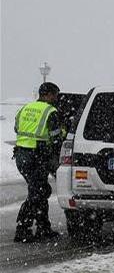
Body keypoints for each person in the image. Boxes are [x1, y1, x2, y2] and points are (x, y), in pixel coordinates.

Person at [12, 82, 65, 242]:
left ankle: (43, 227)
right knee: (38, 192)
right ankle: (22, 229)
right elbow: (56, 139)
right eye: (55, 95)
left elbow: (17, 128)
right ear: (48, 95)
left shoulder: (25, 108)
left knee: (40, 190)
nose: (56, 98)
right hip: (37, 157)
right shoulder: (51, 112)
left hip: (22, 156)